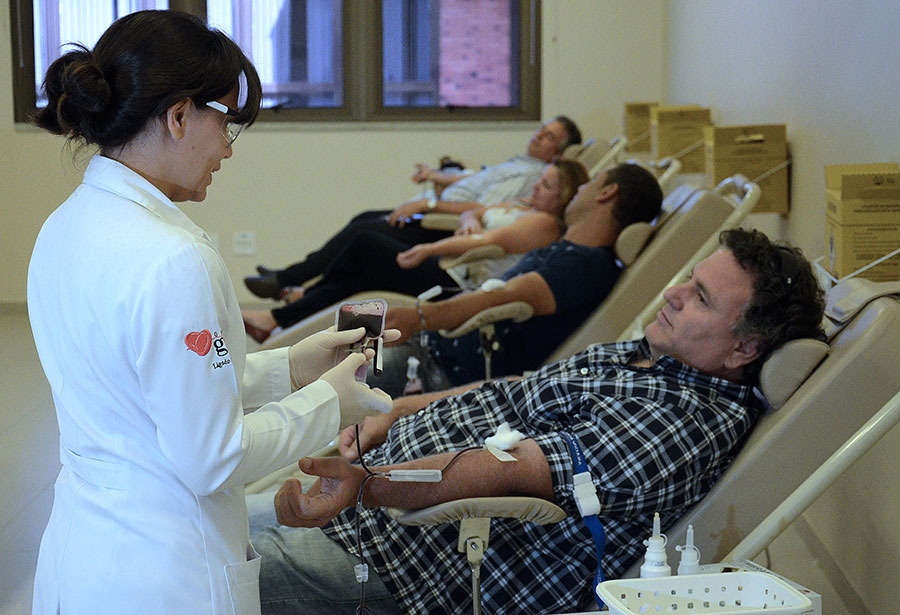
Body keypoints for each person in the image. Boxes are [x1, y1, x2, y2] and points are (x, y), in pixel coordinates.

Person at [249, 228, 827, 614]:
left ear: (744, 350)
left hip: (400, 556)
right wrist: (396, 410)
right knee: (190, 512)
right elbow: (518, 388)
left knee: (189, 574)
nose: (673, 294)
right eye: (688, 280)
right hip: (371, 501)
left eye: (700, 297)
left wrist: (368, 487)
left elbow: (508, 470)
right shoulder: (653, 358)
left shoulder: (679, 422)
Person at [26, 10, 394, 615]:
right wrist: (330, 402)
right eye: (226, 123)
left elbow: (153, 388)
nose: (226, 148)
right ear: (177, 116)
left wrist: (290, 369)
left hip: (84, 557)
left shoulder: (64, 226)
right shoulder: (172, 259)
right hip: (167, 575)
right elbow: (211, 456)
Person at [375, 161, 664, 394]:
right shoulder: (570, 249)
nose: (582, 187)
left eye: (592, 181)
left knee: (338, 380)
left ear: (607, 192)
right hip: (429, 349)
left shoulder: (585, 266)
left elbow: (504, 297)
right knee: (341, 345)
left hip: (437, 373)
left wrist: (420, 318)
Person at [240, 159, 590, 341]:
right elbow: (476, 212)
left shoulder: (544, 224)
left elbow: (485, 243)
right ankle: (279, 318)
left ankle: (288, 307)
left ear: (564, 198)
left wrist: (427, 248)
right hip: (451, 265)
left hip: (457, 287)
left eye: (545, 185)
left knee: (365, 244)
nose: (537, 187)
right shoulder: (526, 206)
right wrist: (471, 219)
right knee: (357, 275)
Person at [243, 116, 583, 300]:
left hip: (441, 227)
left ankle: (294, 286)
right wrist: (435, 177)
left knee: (364, 236)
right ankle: (296, 284)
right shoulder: (518, 164)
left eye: (550, 136)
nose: (539, 135)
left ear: (558, 154)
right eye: (542, 128)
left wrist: (430, 202)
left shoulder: (534, 176)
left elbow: (484, 208)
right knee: (363, 222)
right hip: (445, 216)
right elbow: (477, 188)